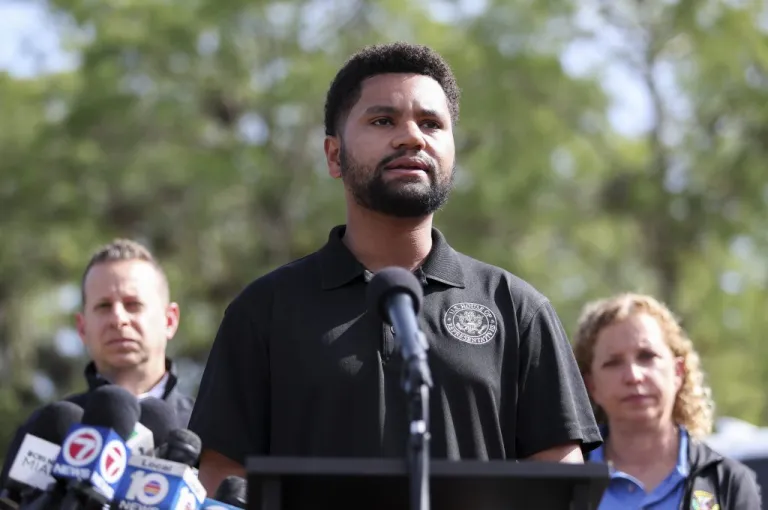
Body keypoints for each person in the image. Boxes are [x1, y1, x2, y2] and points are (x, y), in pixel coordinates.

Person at [189, 41, 602, 493]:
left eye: (431, 124)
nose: (412, 137)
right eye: (383, 121)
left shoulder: (517, 309)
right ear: (333, 155)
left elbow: (560, 477)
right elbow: (220, 475)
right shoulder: (264, 310)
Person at [0, 239, 195, 486]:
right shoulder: (49, 430)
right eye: (104, 306)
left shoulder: (210, 429)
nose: (118, 318)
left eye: (133, 304)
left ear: (169, 320)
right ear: (82, 328)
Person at [572, 292, 761, 509]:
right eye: (613, 362)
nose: (633, 376)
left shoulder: (727, 483)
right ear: (590, 385)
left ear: (678, 372)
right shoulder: (564, 479)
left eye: (647, 356)